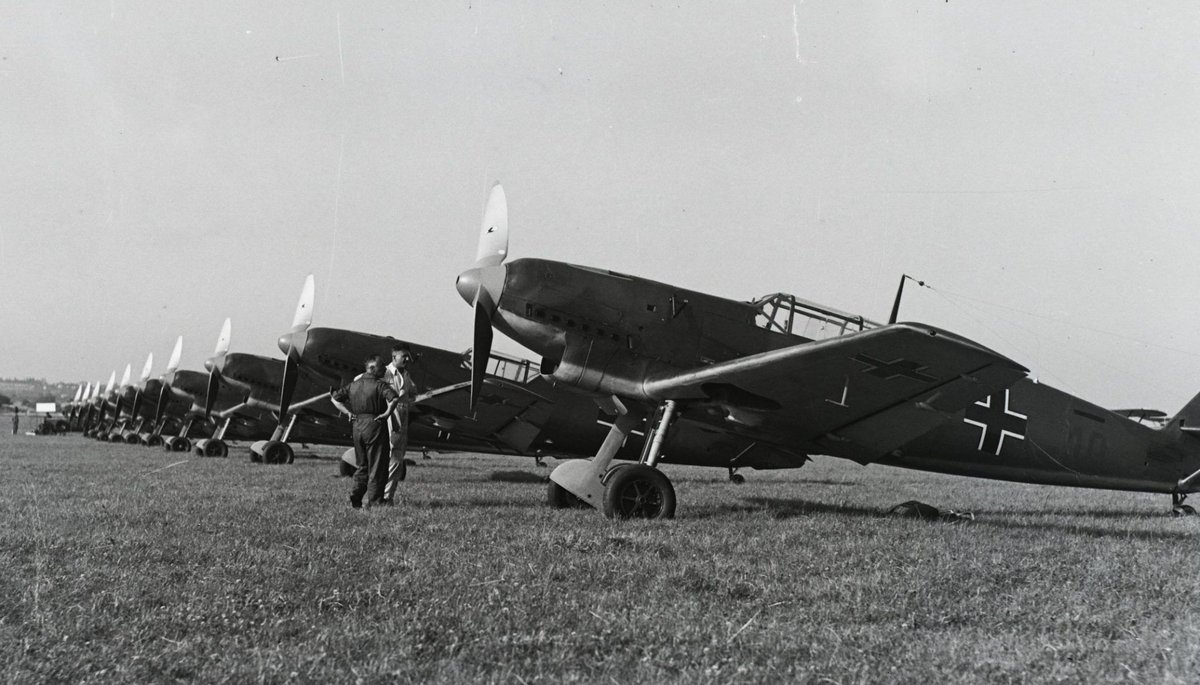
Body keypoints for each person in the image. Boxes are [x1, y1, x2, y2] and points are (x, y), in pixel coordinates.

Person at [330, 355, 400, 509]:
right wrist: (387, 413)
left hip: (357, 426)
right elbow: (395, 398)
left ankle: (356, 495)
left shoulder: (353, 385)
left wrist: (348, 412)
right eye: (382, 367)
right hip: (375, 424)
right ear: (372, 368)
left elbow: (334, 399)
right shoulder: (380, 385)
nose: (384, 369)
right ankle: (375, 502)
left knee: (362, 465)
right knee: (377, 465)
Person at [382, 344, 416, 504]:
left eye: (408, 356)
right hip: (389, 418)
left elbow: (413, 392)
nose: (407, 359)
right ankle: (384, 497)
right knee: (392, 457)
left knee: (397, 457)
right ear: (394, 357)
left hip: (402, 417)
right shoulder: (384, 373)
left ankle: (387, 497)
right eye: (404, 356)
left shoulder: (406, 374)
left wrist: (408, 398)